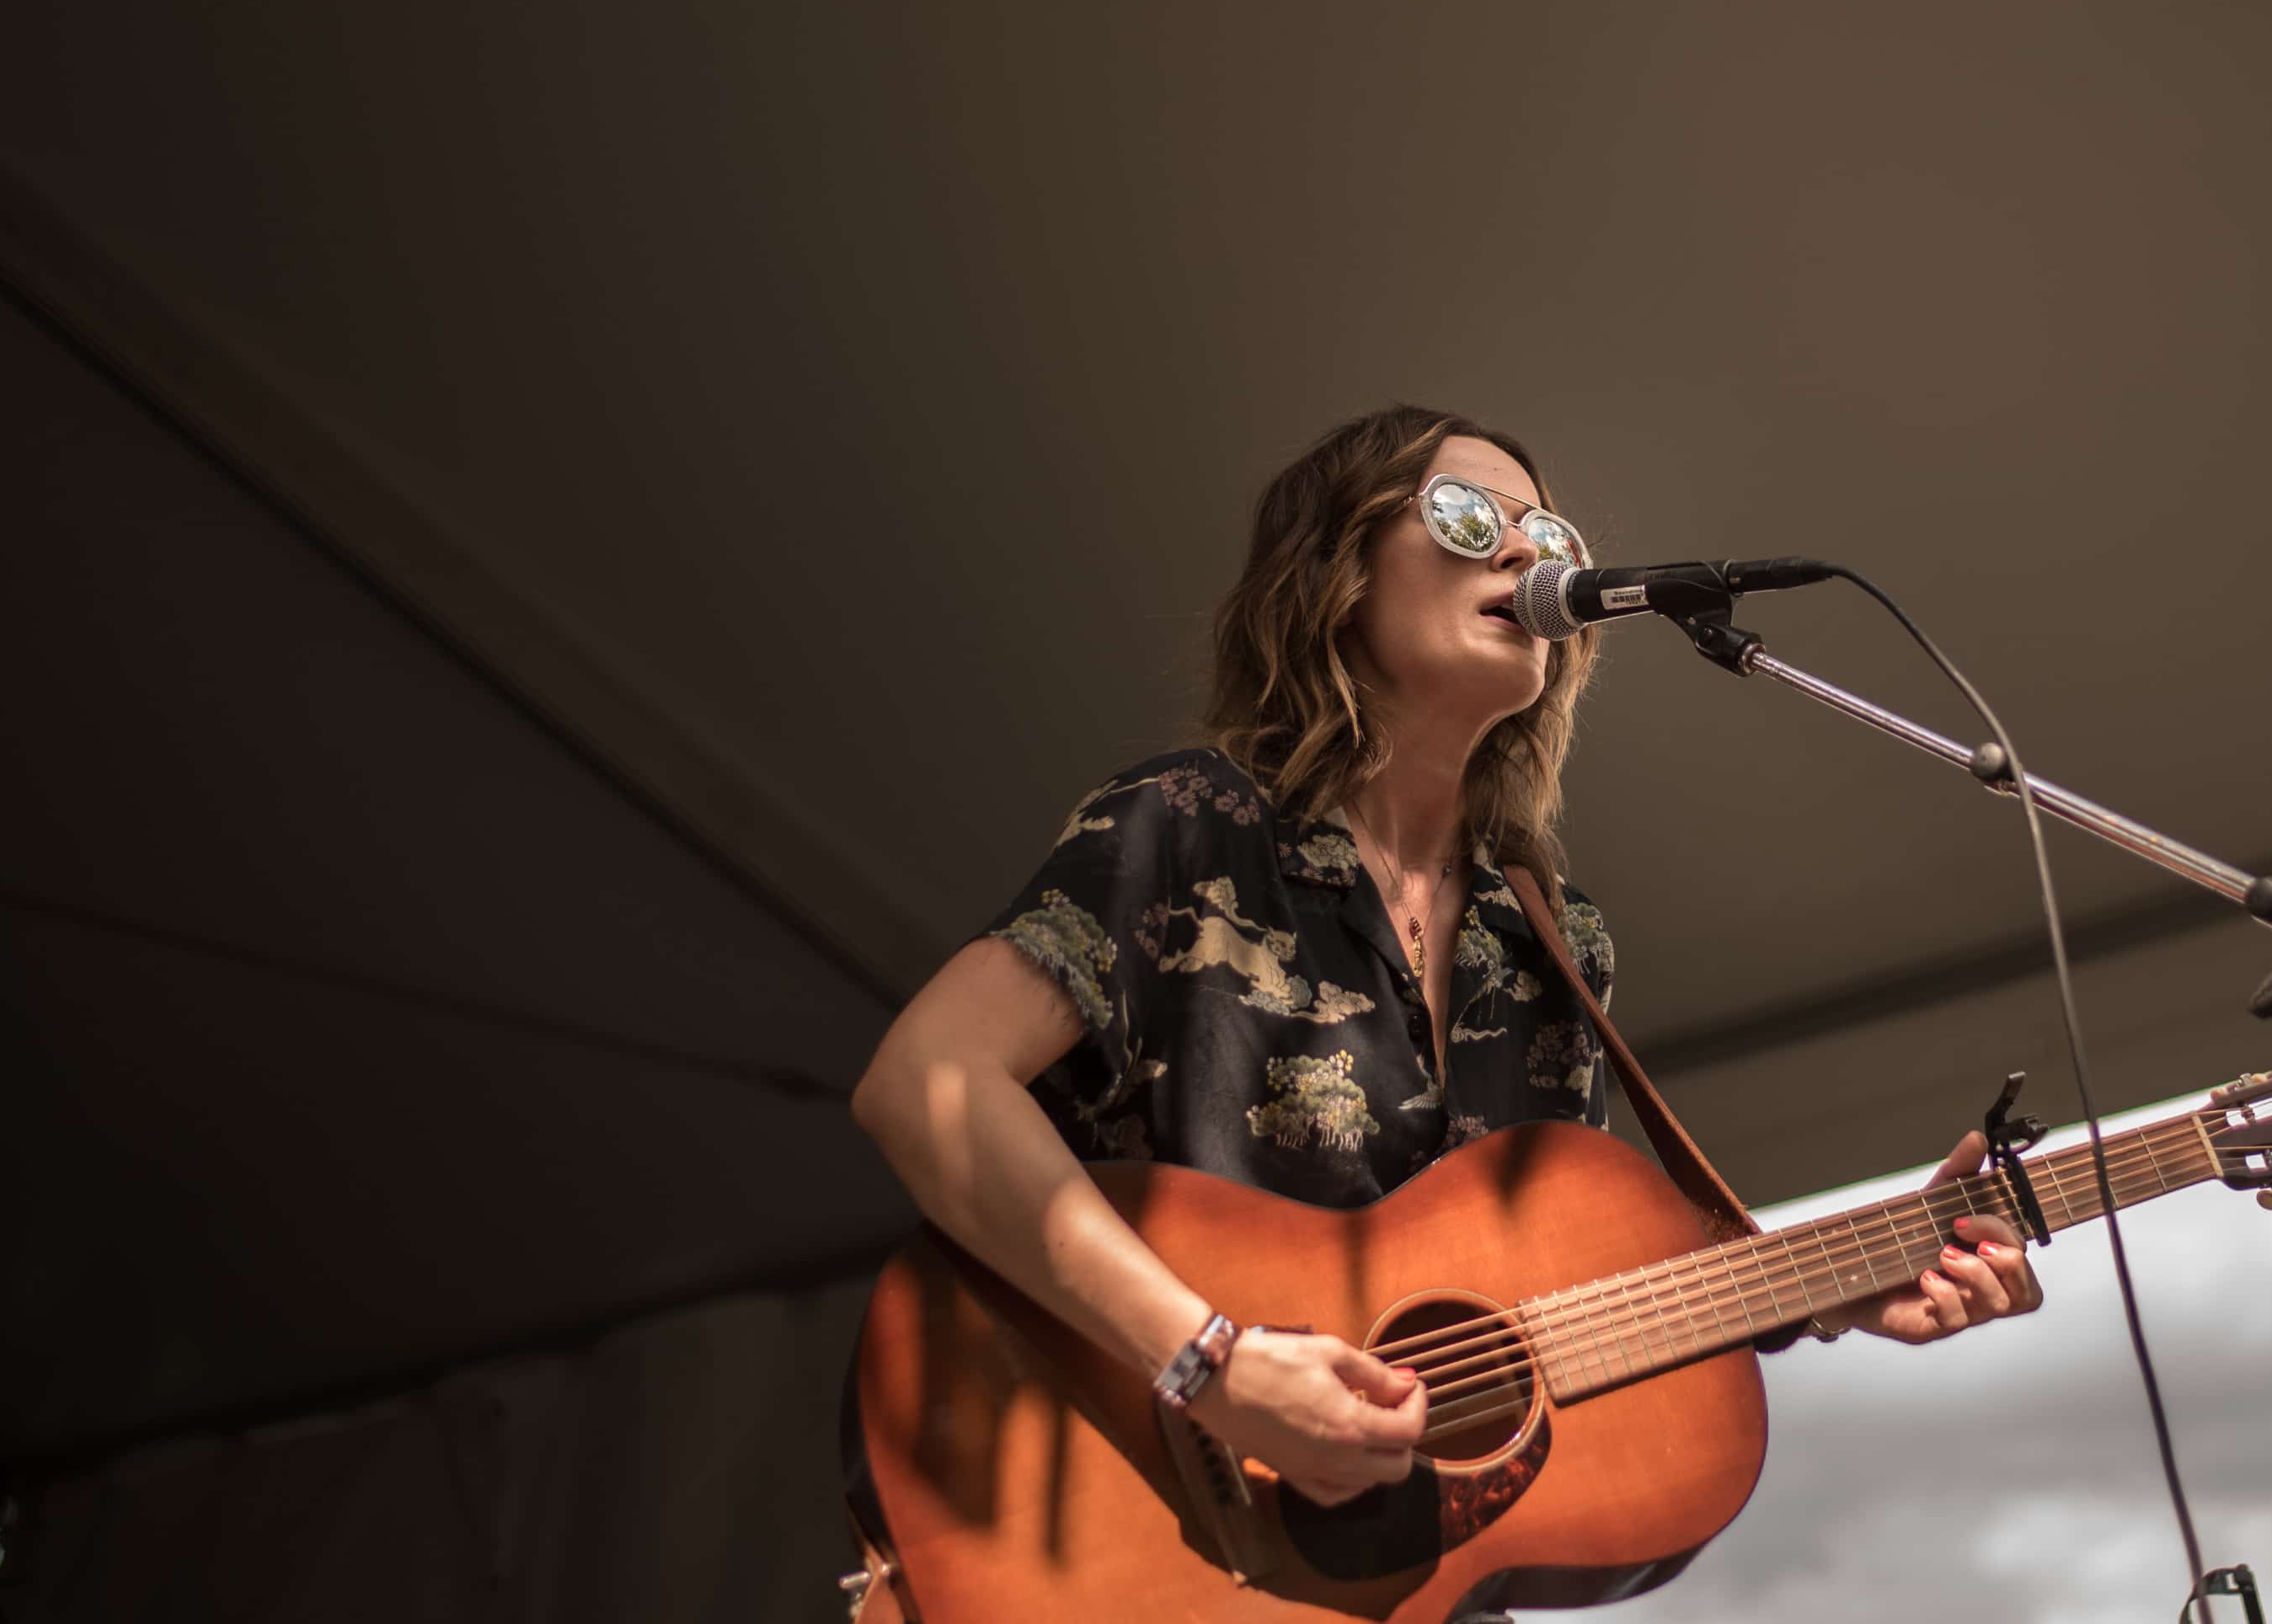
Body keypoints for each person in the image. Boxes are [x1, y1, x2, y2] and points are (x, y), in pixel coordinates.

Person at [841, 404, 2040, 1617]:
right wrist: (1212, 1364)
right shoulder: (1191, 829)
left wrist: (1825, 1288)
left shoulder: (1551, 937)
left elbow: (1550, 1290)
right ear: (1338, 573)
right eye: (1467, 518)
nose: (1526, 552)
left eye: (1549, 534)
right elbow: (926, 1084)